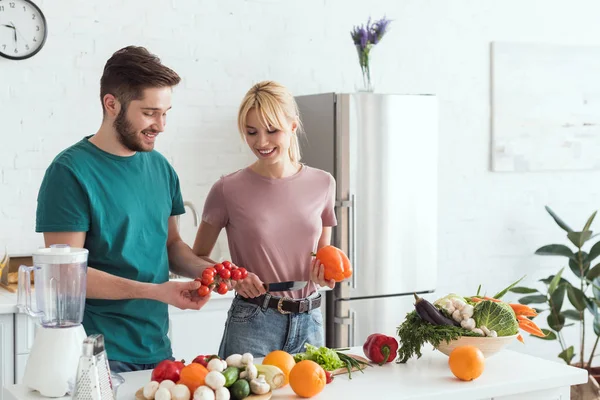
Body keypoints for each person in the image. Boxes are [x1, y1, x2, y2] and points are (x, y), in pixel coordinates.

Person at [35, 46, 216, 373]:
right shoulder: (70, 172)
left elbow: (172, 246)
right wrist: (159, 292)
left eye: (166, 113)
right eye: (149, 113)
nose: (160, 126)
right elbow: (66, 278)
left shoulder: (161, 169)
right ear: (111, 104)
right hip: (96, 354)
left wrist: (209, 271)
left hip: (158, 347)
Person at [193, 80, 338, 358]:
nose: (261, 142)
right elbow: (198, 258)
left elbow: (323, 259)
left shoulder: (323, 184)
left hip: (310, 322)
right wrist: (235, 276)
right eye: (251, 132)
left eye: (272, 130)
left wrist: (326, 276)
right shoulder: (227, 189)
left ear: (293, 126)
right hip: (253, 322)